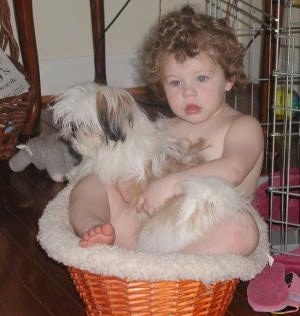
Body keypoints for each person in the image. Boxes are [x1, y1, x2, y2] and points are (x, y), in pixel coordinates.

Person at [69, 5, 264, 255]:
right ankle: (95, 228)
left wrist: (171, 185)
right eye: (175, 82)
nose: (188, 91)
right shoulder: (166, 127)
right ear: (161, 86)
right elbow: (138, 173)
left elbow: (233, 169)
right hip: (145, 229)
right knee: (93, 182)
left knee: (242, 232)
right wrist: (127, 183)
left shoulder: (242, 126)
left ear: (229, 78)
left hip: (202, 232)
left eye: (201, 78)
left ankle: (163, 266)